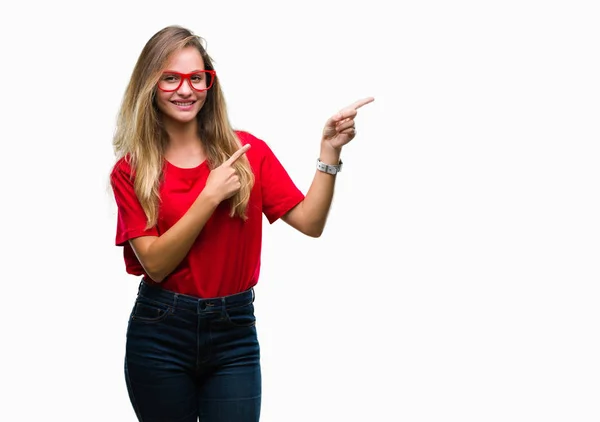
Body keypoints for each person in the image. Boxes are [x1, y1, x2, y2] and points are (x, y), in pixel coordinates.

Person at [109, 24, 373, 422]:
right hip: (160, 331)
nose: (186, 89)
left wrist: (329, 152)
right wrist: (209, 196)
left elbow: (310, 222)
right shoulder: (131, 171)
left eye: (197, 78)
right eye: (171, 79)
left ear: (209, 83)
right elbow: (156, 264)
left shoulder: (247, 152)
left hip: (234, 333)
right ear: (150, 84)